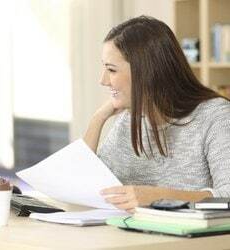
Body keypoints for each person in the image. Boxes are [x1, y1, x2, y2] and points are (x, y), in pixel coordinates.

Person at [83, 16, 230, 213]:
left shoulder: (215, 116)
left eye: (111, 70)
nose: (103, 80)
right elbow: (86, 186)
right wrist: (97, 119)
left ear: (145, 71)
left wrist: (161, 197)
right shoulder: (130, 119)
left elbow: (227, 201)